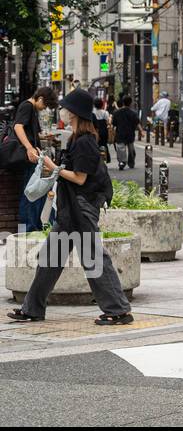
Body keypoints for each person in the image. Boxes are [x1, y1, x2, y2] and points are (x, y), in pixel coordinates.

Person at [7, 89, 132, 326]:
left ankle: (118, 310)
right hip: (69, 208)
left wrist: (53, 166)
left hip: (82, 208)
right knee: (50, 258)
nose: (62, 111)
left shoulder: (85, 142)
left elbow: (80, 178)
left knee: (94, 259)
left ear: (74, 113)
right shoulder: (75, 138)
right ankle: (32, 308)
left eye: (66, 108)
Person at [10, 87, 56, 233]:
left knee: (32, 192)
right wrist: (30, 148)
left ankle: (31, 227)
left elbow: (29, 132)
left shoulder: (31, 108)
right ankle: (27, 229)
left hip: (32, 158)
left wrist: (42, 138)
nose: (44, 109)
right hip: (28, 157)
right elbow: (18, 127)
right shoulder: (27, 106)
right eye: (45, 105)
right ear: (40, 98)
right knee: (31, 193)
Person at [111, 95, 140, 170]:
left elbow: (114, 123)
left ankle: (122, 162)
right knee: (131, 149)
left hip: (120, 132)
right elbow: (137, 122)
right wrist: (141, 131)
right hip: (130, 132)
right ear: (130, 103)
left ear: (123, 102)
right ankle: (131, 162)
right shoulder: (133, 113)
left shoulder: (117, 113)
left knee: (120, 148)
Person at [92, 98, 111, 163]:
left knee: (96, 145)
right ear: (102, 105)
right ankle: (107, 158)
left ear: (94, 105)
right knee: (104, 144)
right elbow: (108, 122)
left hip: (95, 130)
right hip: (104, 130)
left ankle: (97, 159)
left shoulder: (93, 113)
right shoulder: (105, 112)